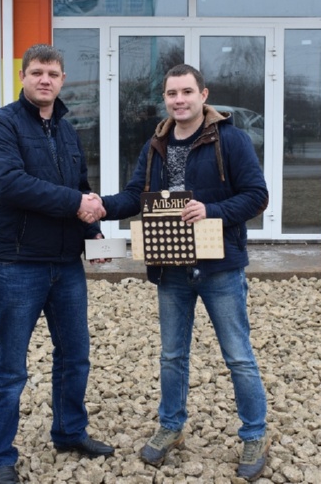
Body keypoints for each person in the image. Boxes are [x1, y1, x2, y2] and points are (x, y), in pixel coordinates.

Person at [96, 64, 271, 481]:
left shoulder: (230, 139)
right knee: (172, 355)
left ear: (203, 95)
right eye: (172, 93)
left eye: (187, 92)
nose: (179, 100)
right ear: (165, 98)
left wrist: (212, 210)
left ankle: (255, 434)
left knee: (238, 356)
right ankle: (171, 426)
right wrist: (98, 206)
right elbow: (134, 196)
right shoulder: (155, 144)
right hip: (170, 267)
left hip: (219, 267)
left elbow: (257, 195)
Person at [0, 44, 113, 484]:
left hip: (66, 264)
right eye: (37, 72)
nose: (45, 80)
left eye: (53, 73)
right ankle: (0, 456)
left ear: (63, 79)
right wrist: (77, 204)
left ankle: (70, 432)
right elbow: (9, 184)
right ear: (22, 76)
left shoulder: (68, 131)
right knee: (10, 366)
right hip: (19, 263)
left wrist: (93, 230)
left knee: (74, 356)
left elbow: (81, 186)